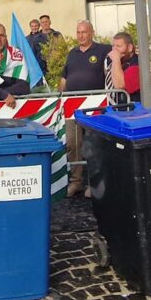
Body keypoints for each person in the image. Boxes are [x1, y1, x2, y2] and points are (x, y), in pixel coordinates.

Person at [60, 20, 112, 197]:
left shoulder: (103, 50)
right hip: (72, 106)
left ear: (92, 33)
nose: (80, 35)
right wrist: (62, 97)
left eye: (84, 32)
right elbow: (64, 78)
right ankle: (76, 182)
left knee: (93, 145)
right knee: (73, 145)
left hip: (95, 107)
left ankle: (94, 183)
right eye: (78, 32)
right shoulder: (72, 53)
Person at [105, 32, 142, 103]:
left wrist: (116, 59)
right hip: (115, 108)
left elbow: (119, 85)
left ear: (130, 48)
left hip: (130, 111)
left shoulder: (135, 65)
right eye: (113, 46)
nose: (114, 50)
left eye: (118, 46)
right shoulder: (116, 62)